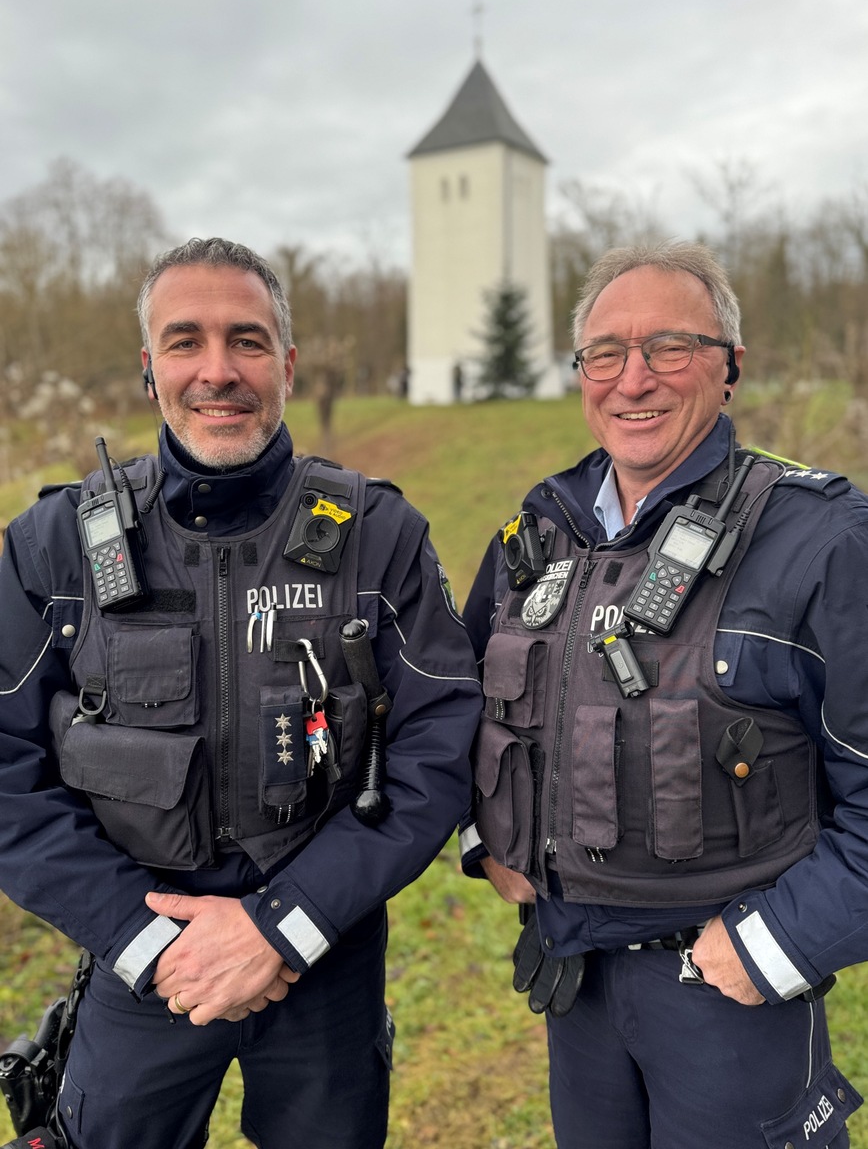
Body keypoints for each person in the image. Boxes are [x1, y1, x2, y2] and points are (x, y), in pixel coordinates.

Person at [0, 237, 482, 1149]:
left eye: (248, 341)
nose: (217, 371)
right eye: (185, 342)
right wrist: (149, 945)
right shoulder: (54, 544)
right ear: (149, 370)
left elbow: (438, 745)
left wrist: (284, 925)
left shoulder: (379, 534)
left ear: (288, 366)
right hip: (143, 957)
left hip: (322, 959)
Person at [460, 241, 868, 1148]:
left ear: (730, 369)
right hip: (577, 989)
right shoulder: (541, 528)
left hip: (729, 992)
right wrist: (486, 832)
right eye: (605, 353)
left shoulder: (826, 541)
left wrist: (771, 947)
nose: (632, 380)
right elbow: (460, 705)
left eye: (670, 348)